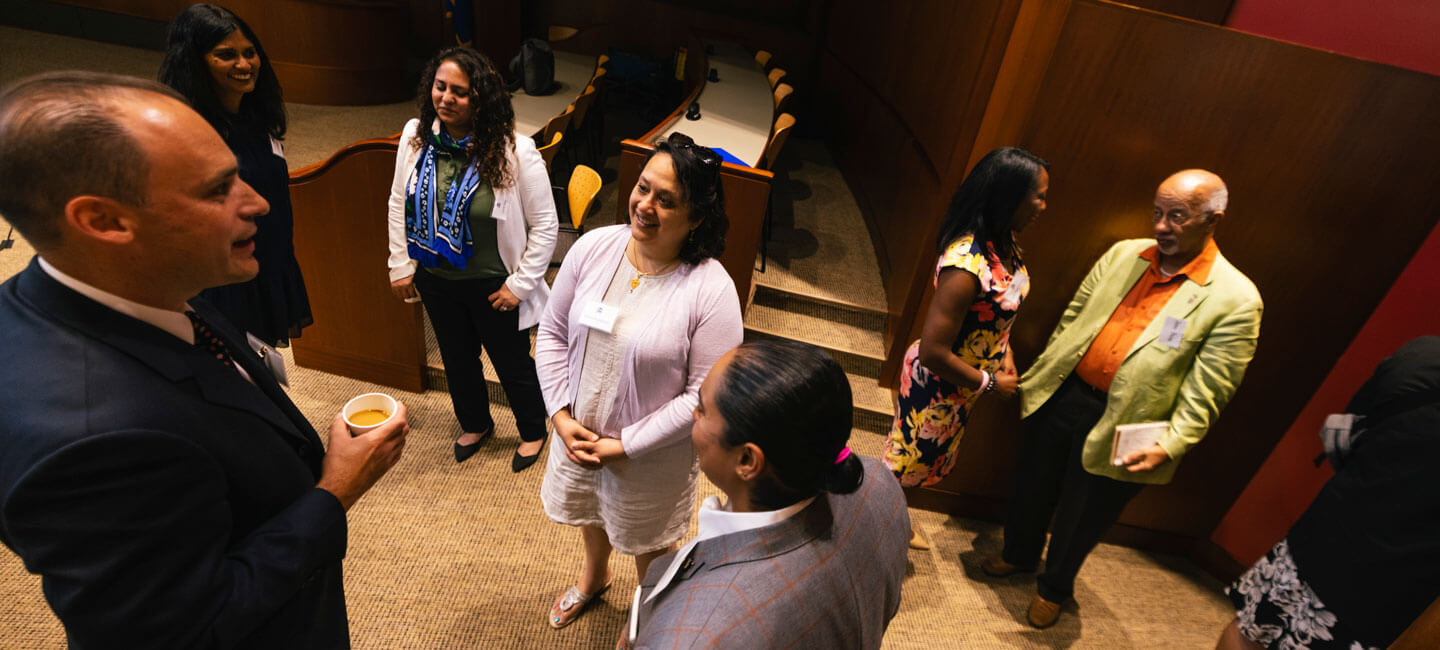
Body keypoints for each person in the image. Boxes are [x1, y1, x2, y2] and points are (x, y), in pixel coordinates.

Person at [0, 71, 407, 648]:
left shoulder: (151, 285)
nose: (258, 201)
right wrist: (334, 491)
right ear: (104, 221)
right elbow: (191, 632)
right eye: (217, 190)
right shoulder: (91, 445)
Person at [983, 169, 1263, 628]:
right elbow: (1076, 316)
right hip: (1066, 393)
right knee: (1033, 484)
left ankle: (1054, 588)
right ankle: (1018, 555)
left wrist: (1173, 441)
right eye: (1157, 213)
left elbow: (1211, 387)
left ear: (1213, 219)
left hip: (1129, 422)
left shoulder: (1236, 299)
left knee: (1083, 515)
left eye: (1177, 216)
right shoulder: (1124, 255)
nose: (1161, 226)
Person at [535, 132, 743, 630]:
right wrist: (561, 417)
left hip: (652, 455)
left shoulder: (711, 289)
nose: (645, 205)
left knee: (649, 540)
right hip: (579, 434)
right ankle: (594, 577)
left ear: (696, 218)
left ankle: (650, 615)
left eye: (666, 200)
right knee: (591, 512)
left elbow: (703, 396)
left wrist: (624, 446)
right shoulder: (594, 248)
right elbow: (552, 333)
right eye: (644, 188)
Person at [627, 339, 909, 649]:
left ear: (747, 461)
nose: (694, 414)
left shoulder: (693, 637)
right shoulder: (878, 483)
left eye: (703, 410)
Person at [386, 46, 556, 469]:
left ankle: (534, 429)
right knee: (457, 359)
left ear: (480, 98)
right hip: (436, 278)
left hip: (493, 284)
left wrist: (520, 286)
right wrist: (400, 262)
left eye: (459, 92)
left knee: (511, 363)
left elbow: (545, 227)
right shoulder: (414, 136)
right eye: (440, 88)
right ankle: (476, 423)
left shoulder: (515, 151)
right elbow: (396, 202)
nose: (445, 98)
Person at [1219, 336, 1440, 650]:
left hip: (1319, 537)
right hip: (1389, 589)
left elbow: (1342, 436)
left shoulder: (1422, 353)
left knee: (1246, 632)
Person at [883, 146, 1048, 549]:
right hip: (939, 383)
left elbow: (999, 313)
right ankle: (870, 529)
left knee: (921, 464)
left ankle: (889, 522)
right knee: (902, 463)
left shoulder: (1005, 244)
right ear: (1009, 197)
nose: (1044, 206)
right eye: (1038, 196)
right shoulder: (966, 262)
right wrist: (991, 383)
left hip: (965, 385)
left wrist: (1004, 354)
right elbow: (933, 352)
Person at [158, 3, 312, 348]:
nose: (244, 65)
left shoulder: (258, 118)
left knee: (259, 367)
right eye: (226, 55)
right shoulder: (186, 131)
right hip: (220, 278)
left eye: (250, 53)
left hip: (268, 259)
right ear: (196, 62)